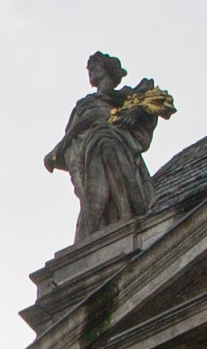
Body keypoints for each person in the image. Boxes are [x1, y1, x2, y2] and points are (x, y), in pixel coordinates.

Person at [47, 51, 173, 245]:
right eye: (89, 68)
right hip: (83, 148)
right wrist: (56, 152)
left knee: (105, 141)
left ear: (107, 70)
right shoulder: (84, 104)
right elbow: (71, 133)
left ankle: (125, 213)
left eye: (95, 67)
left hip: (113, 140)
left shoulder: (126, 96)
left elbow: (158, 100)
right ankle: (101, 224)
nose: (90, 71)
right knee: (92, 184)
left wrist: (135, 112)